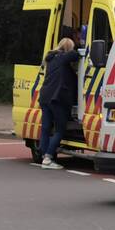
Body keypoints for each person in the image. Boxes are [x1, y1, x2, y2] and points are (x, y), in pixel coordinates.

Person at [38, 38, 80, 169]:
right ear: (68, 48)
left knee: (46, 128)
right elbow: (75, 55)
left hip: (45, 97)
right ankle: (48, 158)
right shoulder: (63, 58)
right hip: (57, 98)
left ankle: (43, 155)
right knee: (60, 130)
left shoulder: (51, 59)